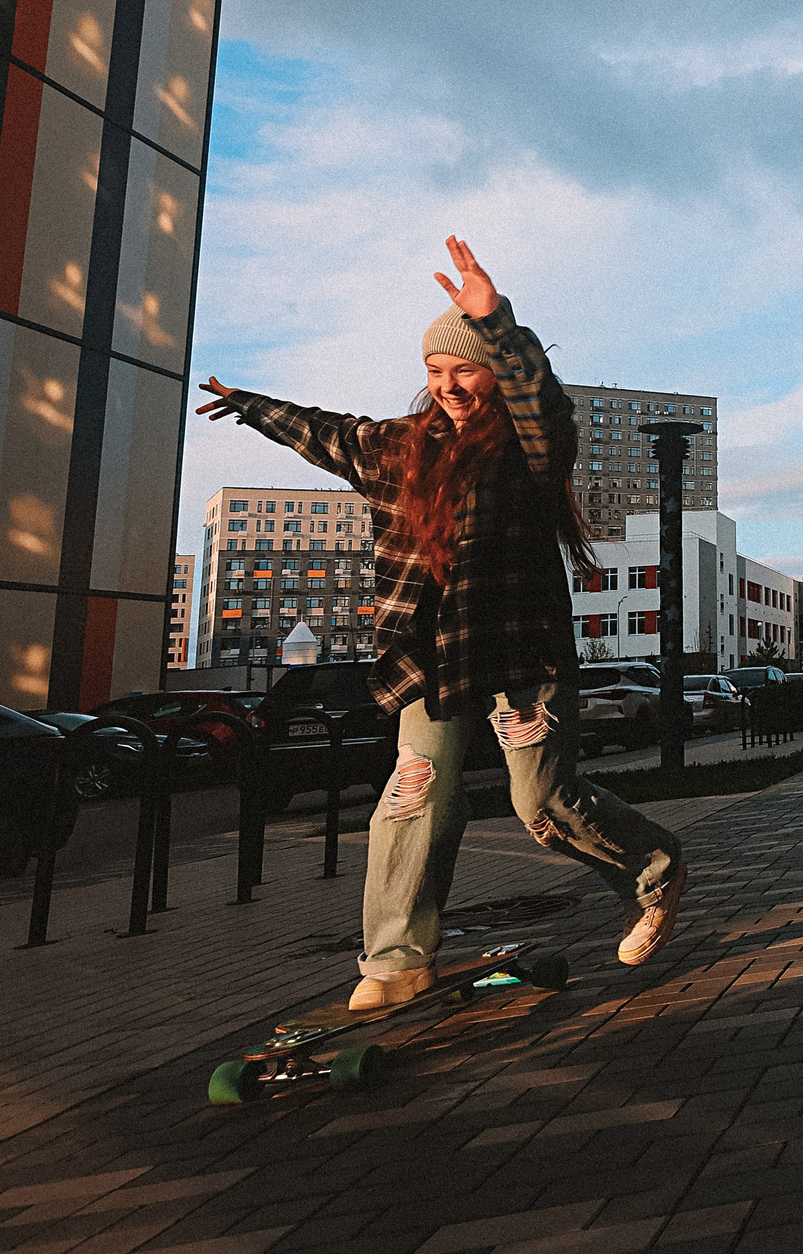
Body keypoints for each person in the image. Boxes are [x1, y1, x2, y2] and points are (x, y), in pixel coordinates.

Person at [197, 237, 686, 1010]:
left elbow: (545, 408)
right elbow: (329, 433)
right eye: (435, 370)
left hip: (519, 652)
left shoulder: (528, 448)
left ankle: (653, 870)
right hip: (429, 656)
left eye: (465, 368)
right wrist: (252, 406)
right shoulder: (400, 446)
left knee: (541, 804)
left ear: (491, 370)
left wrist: (498, 324)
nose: (449, 386)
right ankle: (396, 960)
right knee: (413, 792)